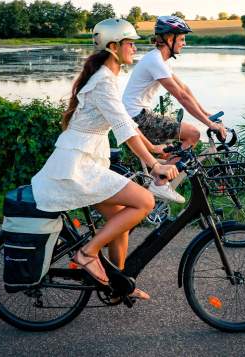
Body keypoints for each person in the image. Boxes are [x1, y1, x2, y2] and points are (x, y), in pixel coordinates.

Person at [31, 18, 177, 300]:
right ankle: (87, 253)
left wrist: (155, 150)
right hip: (77, 167)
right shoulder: (103, 83)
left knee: (120, 219)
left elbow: (126, 123)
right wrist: (155, 165)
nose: (135, 48)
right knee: (145, 201)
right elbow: (125, 130)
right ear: (113, 46)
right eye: (130, 43)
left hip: (85, 162)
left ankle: (117, 285)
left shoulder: (108, 77)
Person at [122, 15, 227, 203]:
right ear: (169, 39)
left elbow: (184, 89)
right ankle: (160, 183)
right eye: (182, 39)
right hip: (137, 117)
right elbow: (181, 97)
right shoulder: (155, 60)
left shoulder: (162, 60)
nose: (184, 43)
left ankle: (157, 185)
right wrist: (209, 124)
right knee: (193, 134)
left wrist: (205, 113)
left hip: (139, 114)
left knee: (176, 149)